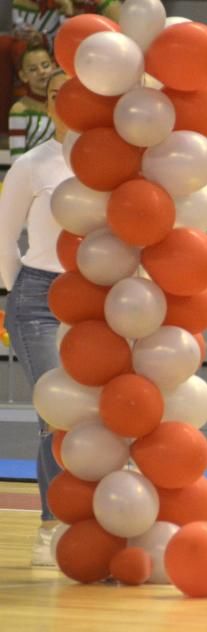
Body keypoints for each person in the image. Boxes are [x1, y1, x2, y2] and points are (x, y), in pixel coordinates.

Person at [0, 68, 71, 566]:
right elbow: (3, 234)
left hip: (102, 301)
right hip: (38, 299)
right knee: (56, 413)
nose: (65, 101)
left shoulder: (120, 164)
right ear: (46, 105)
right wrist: (9, 290)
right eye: (54, 94)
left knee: (99, 417)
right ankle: (50, 526)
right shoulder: (33, 164)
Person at [8, 43, 54, 159]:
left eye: (45, 65)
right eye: (33, 69)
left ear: (54, 67)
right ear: (23, 76)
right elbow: (16, 155)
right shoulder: (19, 109)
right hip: (32, 173)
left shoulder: (65, 106)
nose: (41, 71)